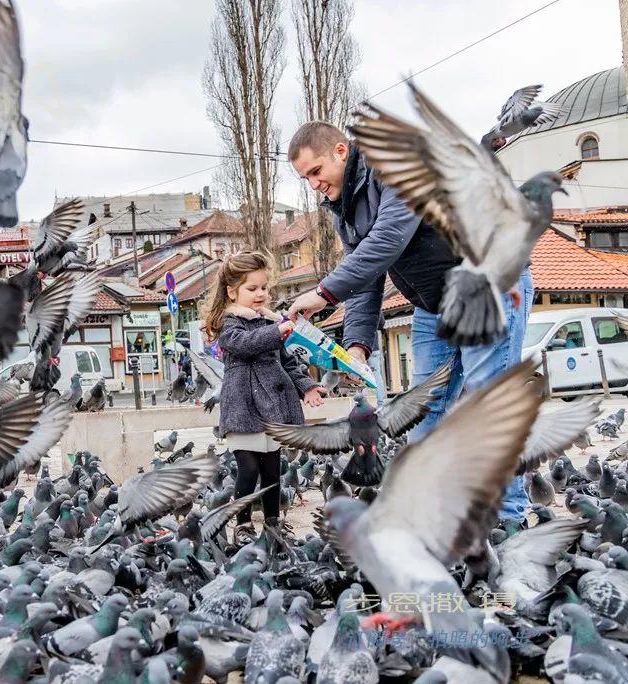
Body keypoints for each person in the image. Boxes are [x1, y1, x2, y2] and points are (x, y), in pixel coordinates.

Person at [286, 121, 533, 520]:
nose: (313, 184)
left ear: (340, 152)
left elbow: (388, 239)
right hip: (434, 306)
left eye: (316, 171)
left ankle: (508, 522)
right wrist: (357, 344)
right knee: (422, 413)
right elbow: (365, 276)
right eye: (304, 178)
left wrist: (323, 293)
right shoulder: (342, 210)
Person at [201, 251, 326, 542]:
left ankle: (273, 525)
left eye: (264, 288)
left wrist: (307, 387)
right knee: (248, 469)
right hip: (244, 407)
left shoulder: (271, 322)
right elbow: (244, 344)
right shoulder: (229, 323)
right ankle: (242, 525)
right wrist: (277, 332)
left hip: (274, 408)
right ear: (232, 291)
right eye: (252, 288)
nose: (260, 294)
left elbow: (288, 362)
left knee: (272, 470)